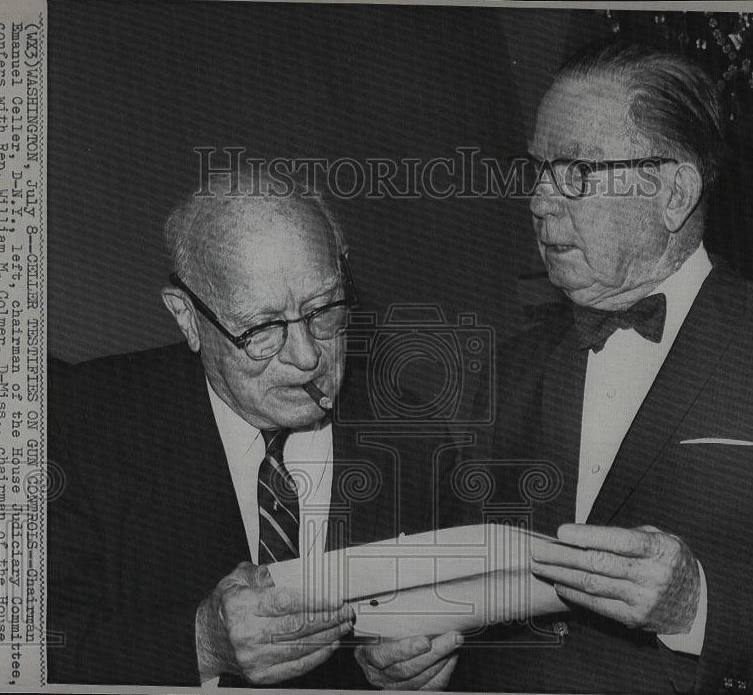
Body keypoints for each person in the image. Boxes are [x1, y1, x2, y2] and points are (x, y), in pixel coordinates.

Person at [442, 41, 753, 693]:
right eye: (535, 170)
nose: (539, 202)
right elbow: (461, 594)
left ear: (674, 192)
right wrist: (415, 658)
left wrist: (697, 604)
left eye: (575, 173)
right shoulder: (506, 372)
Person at [48, 180, 462, 688]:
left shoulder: (412, 436)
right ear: (187, 317)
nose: (308, 356)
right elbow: (20, 647)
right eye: (262, 327)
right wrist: (200, 643)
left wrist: (413, 674)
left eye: (325, 308)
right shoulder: (83, 420)